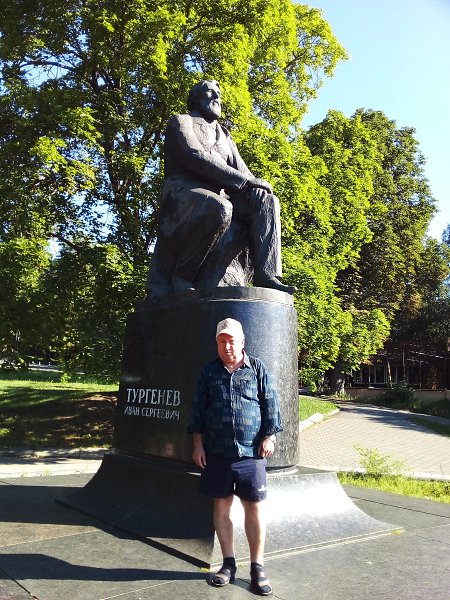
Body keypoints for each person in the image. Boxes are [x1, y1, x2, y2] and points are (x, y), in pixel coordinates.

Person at [148, 79, 295, 296]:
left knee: (267, 201)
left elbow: (243, 172)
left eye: (219, 93)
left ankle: (266, 276)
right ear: (195, 98)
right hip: (183, 196)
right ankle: (182, 276)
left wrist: (256, 186)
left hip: (220, 197)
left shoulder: (224, 134)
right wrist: (246, 182)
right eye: (210, 92)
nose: (217, 97)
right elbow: (195, 156)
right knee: (220, 208)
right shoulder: (181, 121)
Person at [189, 317, 283, 595]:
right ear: (216, 343)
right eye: (221, 341)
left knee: (254, 508)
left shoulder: (257, 369)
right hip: (217, 453)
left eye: (231, 341)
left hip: (251, 454)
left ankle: (257, 567)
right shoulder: (208, 372)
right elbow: (198, 411)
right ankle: (228, 564)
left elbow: (271, 404)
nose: (227, 346)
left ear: (242, 342)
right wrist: (197, 445)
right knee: (221, 508)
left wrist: (269, 436)